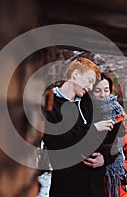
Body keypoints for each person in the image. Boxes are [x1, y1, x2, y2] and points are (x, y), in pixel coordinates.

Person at [43, 57, 118, 197]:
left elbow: (114, 138)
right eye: (89, 81)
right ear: (75, 75)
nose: (90, 87)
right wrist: (93, 129)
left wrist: (105, 158)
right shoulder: (49, 105)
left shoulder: (90, 103)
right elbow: (56, 143)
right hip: (67, 189)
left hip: (97, 189)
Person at [92, 73, 127, 197]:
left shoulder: (119, 115)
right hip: (88, 186)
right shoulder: (84, 113)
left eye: (106, 90)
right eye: (98, 90)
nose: (103, 95)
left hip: (115, 188)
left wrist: (124, 175)